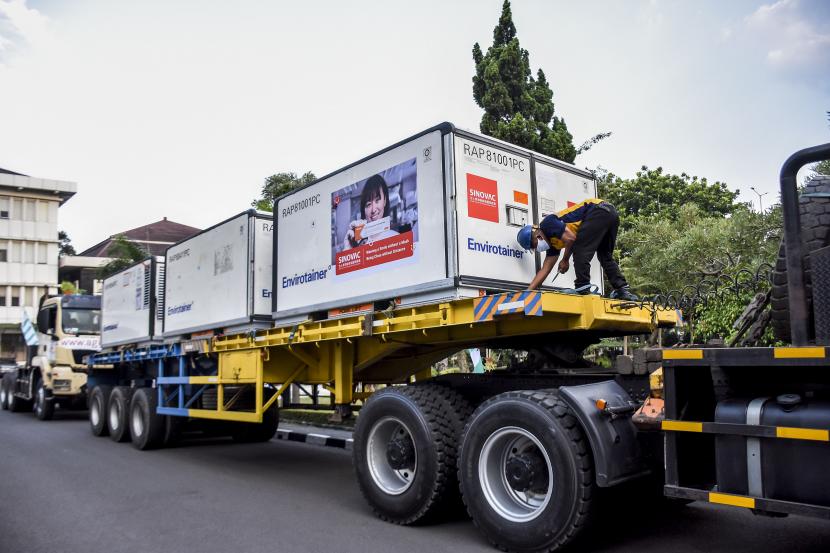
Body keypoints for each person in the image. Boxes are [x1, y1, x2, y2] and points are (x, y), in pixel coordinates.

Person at [516, 198, 638, 300]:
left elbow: (570, 239)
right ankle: (622, 290)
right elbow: (545, 270)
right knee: (604, 255)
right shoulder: (552, 246)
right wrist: (528, 292)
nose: (536, 248)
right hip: (610, 214)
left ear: (536, 235)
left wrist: (565, 260)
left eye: (534, 245)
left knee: (579, 249)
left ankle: (583, 287)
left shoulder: (548, 224)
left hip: (597, 210)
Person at [343, 174, 399, 249]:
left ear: (384, 201)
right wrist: (349, 250)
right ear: (364, 210)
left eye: (377, 200)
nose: (373, 210)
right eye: (368, 204)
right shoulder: (359, 244)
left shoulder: (396, 238)